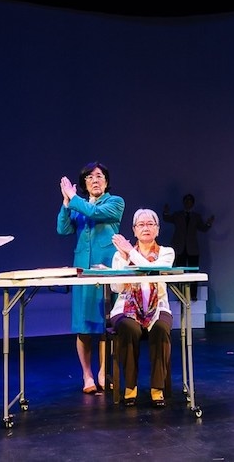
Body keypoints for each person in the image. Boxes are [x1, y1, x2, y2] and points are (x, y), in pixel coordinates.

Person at [57, 161, 125, 394]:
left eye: (99, 176)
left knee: (106, 325)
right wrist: (66, 203)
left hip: (106, 269)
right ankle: (87, 375)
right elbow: (63, 229)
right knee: (83, 325)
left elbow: (95, 213)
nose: (95, 180)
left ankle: (104, 372)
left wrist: (74, 198)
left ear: (106, 181)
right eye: (89, 177)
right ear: (84, 183)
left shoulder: (115, 202)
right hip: (83, 270)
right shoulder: (78, 205)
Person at [109, 209, 175, 408]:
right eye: (141, 224)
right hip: (125, 309)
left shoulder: (166, 252)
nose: (146, 228)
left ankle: (157, 388)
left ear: (157, 229)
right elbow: (116, 287)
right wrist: (124, 258)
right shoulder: (120, 254)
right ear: (134, 230)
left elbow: (152, 270)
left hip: (158, 308)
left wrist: (131, 252)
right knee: (129, 328)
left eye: (150, 224)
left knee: (161, 329)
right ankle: (130, 386)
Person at [162, 193, 214, 301]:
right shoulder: (177, 215)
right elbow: (167, 219)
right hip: (179, 248)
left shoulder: (196, 217)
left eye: (190, 202)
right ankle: (180, 294)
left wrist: (209, 223)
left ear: (193, 204)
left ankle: (193, 295)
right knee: (179, 272)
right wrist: (165, 212)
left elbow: (203, 228)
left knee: (193, 272)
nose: (188, 203)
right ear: (183, 203)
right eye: (186, 201)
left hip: (192, 248)